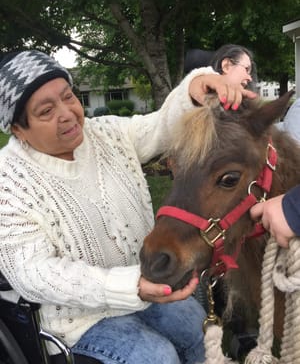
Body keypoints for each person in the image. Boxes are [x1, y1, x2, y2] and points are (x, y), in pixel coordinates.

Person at [0, 50, 256, 364]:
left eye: (68, 97)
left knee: (197, 330)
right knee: (157, 357)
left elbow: (161, 127)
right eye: (46, 111)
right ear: (18, 129)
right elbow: (33, 273)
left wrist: (194, 88)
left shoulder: (105, 134)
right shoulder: (9, 182)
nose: (66, 113)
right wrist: (129, 286)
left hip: (149, 284)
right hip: (82, 320)